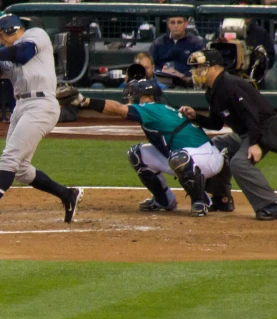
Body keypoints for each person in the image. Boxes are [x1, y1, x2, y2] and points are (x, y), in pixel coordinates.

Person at [0, 14, 83, 227]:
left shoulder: (36, 36)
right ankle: (67, 194)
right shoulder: (11, 54)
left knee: (9, 159)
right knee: (21, 170)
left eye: (2, 36)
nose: (1, 41)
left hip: (41, 105)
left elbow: (22, 53)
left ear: (12, 29)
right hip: (21, 107)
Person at [70, 78, 224, 216]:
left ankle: (200, 201)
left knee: (179, 159)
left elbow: (117, 109)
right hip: (188, 155)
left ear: (145, 96)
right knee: (137, 154)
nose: (131, 98)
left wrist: (84, 101)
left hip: (206, 157)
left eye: (134, 94)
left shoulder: (150, 108)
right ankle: (164, 201)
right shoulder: (156, 108)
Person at [180, 49, 277, 220]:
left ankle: (271, 205)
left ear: (215, 67)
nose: (196, 72)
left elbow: (251, 114)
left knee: (239, 164)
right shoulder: (212, 90)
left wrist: (254, 143)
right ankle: (222, 198)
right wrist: (196, 117)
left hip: (262, 129)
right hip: (245, 132)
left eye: (200, 67)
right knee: (213, 148)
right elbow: (216, 124)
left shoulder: (230, 84)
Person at [149, 16, 205, 84]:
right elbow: (150, 65)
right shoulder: (158, 44)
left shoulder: (196, 44)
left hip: (188, 83)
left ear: (185, 24)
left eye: (179, 22)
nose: (176, 26)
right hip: (161, 82)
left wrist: (184, 75)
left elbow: (202, 68)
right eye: (172, 22)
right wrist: (161, 71)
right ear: (168, 24)